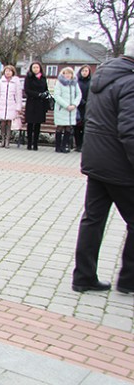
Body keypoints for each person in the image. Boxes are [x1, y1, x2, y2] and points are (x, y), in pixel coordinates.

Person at [72, 49, 134, 294]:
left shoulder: (103, 76)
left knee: (93, 220)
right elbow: (130, 130)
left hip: (97, 159)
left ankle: (84, 276)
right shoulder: (130, 82)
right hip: (119, 165)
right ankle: (129, 279)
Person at [53, 67, 82, 153]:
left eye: (69, 73)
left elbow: (78, 95)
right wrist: (66, 105)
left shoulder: (75, 84)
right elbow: (57, 96)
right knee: (60, 127)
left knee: (68, 127)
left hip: (72, 110)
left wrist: (74, 104)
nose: (68, 75)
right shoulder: (59, 83)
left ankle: (64, 146)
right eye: (66, 73)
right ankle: (57, 146)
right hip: (62, 109)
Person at [0, 65, 23, 148]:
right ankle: (2, 139)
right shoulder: (0, 81)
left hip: (11, 106)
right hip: (2, 105)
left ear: (12, 72)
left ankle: (7, 141)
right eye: (6, 71)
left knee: (9, 123)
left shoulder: (16, 82)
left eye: (9, 71)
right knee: (2, 123)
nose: (8, 72)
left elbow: (18, 95)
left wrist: (18, 107)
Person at [23, 62, 49, 151]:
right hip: (31, 103)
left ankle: (35, 144)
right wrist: (38, 94)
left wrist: (45, 94)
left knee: (38, 124)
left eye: (37, 67)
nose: (35, 69)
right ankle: (29, 143)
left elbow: (46, 89)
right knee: (30, 124)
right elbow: (27, 90)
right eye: (34, 67)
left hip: (40, 104)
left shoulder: (43, 78)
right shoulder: (28, 78)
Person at [74, 65, 91, 152]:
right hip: (78, 106)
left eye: (86, 71)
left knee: (85, 127)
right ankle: (78, 145)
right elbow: (74, 93)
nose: (84, 72)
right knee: (77, 127)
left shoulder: (91, 82)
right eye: (83, 71)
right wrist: (80, 101)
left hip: (87, 107)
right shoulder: (76, 81)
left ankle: (83, 145)